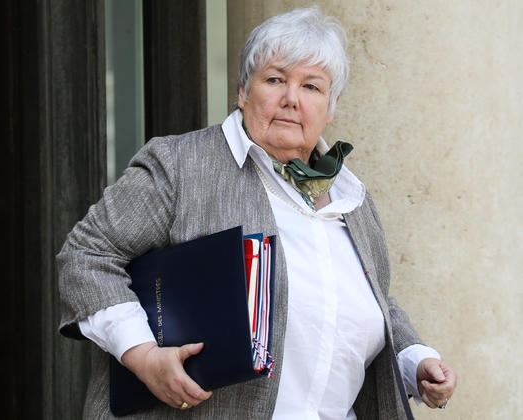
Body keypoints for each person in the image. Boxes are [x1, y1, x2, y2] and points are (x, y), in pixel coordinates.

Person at [57, 6, 457, 419]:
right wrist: (141, 354)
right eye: (275, 79)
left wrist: (415, 360)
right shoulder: (181, 166)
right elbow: (88, 256)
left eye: (312, 87)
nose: (291, 99)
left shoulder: (349, 197)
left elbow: (372, 298)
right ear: (243, 91)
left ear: (331, 108)